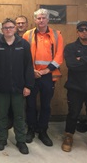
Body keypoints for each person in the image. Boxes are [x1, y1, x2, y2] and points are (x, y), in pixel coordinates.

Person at [0, 18, 34, 154]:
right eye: (5, 28)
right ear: (2, 30)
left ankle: (21, 141)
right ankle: (2, 139)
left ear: (15, 28)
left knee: (19, 116)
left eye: (11, 27)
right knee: (1, 115)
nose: (8, 30)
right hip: (1, 89)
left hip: (19, 88)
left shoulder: (23, 44)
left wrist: (28, 86)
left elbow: (28, 67)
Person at [23, 8, 63, 147]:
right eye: (38, 18)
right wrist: (31, 70)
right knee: (30, 105)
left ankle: (43, 131)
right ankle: (31, 129)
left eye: (43, 18)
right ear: (35, 20)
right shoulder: (27, 35)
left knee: (46, 105)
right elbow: (24, 56)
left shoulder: (57, 35)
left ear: (48, 19)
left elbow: (59, 56)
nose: (41, 20)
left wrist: (46, 70)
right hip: (31, 75)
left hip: (48, 76)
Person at [62, 21, 87, 153]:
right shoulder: (70, 48)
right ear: (77, 32)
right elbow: (72, 65)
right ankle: (68, 136)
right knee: (73, 113)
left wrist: (82, 59)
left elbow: (78, 63)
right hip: (75, 88)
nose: (84, 32)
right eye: (81, 29)